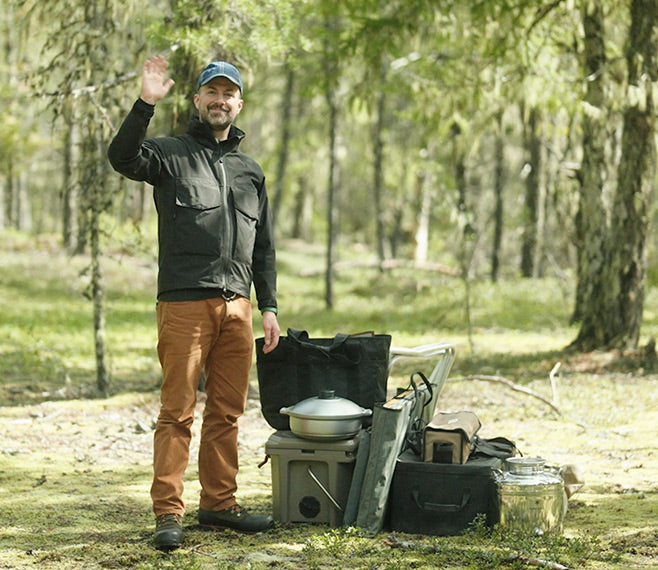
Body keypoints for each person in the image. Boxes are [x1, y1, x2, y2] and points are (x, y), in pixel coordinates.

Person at [107, 56, 280, 551]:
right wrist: (145, 103)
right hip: (184, 304)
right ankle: (168, 512)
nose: (220, 100)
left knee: (227, 412)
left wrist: (267, 306)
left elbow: (263, 245)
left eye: (229, 93)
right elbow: (122, 157)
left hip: (239, 307)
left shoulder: (250, 171)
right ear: (198, 100)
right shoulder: (170, 154)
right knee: (177, 411)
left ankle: (220, 504)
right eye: (212, 92)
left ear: (238, 104)